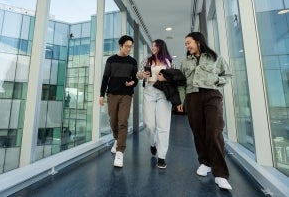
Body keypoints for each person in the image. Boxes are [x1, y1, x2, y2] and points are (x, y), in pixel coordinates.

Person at [176, 32, 233, 190]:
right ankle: (205, 162)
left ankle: (220, 174)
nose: (187, 46)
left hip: (211, 95)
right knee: (198, 131)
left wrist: (217, 80)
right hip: (192, 97)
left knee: (214, 131)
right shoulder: (185, 62)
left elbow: (227, 75)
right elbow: (181, 83)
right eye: (186, 44)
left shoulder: (216, 58)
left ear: (198, 41)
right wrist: (181, 101)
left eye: (188, 43)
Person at [99, 35, 138, 168]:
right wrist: (101, 94)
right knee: (112, 121)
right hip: (112, 94)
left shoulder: (132, 62)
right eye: (126, 46)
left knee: (123, 122)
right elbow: (105, 78)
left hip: (126, 95)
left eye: (130, 47)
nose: (128, 49)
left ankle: (120, 152)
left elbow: (135, 79)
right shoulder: (111, 60)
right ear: (120, 45)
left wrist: (133, 82)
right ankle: (117, 139)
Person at [136, 39, 173, 169]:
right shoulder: (147, 60)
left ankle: (162, 157)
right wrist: (142, 74)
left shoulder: (169, 61)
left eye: (155, 46)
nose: (153, 48)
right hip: (149, 91)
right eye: (152, 46)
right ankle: (153, 143)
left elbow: (174, 76)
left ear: (160, 47)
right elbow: (138, 74)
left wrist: (166, 77)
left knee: (163, 126)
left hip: (164, 92)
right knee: (149, 124)